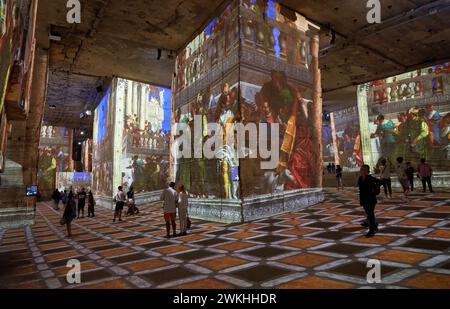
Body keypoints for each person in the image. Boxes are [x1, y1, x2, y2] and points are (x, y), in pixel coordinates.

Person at [358, 165, 381, 237]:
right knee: (369, 214)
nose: (363, 171)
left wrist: (375, 188)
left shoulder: (370, 178)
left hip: (371, 199)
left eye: (364, 169)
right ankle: (375, 226)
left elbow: (380, 182)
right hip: (364, 199)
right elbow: (361, 189)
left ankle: (372, 230)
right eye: (362, 169)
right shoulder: (360, 178)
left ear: (368, 171)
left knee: (370, 215)